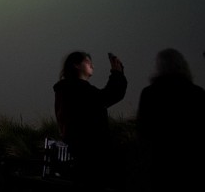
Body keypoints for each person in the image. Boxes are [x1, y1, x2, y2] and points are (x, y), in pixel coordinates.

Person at [53, 51, 126, 189]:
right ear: (76, 65)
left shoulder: (65, 90)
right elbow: (107, 96)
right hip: (91, 157)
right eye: (87, 61)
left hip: (79, 154)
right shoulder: (77, 90)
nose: (92, 65)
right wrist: (117, 74)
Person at [137, 48, 205, 191]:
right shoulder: (197, 93)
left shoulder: (149, 94)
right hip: (192, 162)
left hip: (160, 162)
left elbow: (143, 132)